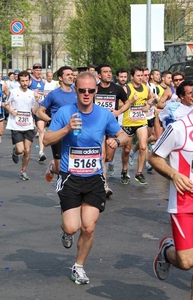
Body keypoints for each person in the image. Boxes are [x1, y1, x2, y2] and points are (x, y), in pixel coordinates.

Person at [43, 71, 128, 284]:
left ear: (96, 91)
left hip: (94, 178)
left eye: (91, 90)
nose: (87, 94)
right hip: (70, 177)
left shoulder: (104, 114)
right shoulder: (65, 113)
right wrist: (66, 128)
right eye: (82, 90)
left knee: (89, 227)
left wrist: (116, 142)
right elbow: (46, 140)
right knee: (73, 227)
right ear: (76, 91)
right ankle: (65, 231)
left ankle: (78, 266)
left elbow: (124, 135)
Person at [149, 81, 193, 300]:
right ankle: (166, 251)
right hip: (184, 204)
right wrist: (174, 174)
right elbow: (155, 157)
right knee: (186, 262)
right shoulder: (179, 128)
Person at [36, 66, 77, 182]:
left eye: (72, 74)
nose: (71, 76)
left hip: (74, 131)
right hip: (58, 132)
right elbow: (39, 111)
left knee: (73, 164)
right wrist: (50, 121)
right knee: (59, 168)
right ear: (60, 78)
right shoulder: (54, 94)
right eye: (68, 74)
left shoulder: (77, 92)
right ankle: (52, 168)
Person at [94, 63, 128, 196]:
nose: (109, 74)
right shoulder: (94, 89)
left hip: (111, 125)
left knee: (108, 157)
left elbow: (127, 103)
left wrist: (118, 112)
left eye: (110, 71)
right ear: (99, 75)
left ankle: (100, 172)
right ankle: (104, 185)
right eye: (105, 72)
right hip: (98, 125)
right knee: (101, 156)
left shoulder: (117, 89)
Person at [120, 66, 153, 185]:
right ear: (132, 76)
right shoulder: (126, 89)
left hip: (141, 122)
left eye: (142, 75)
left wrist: (148, 106)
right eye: (138, 75)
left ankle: (139, 173)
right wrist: (131, 102)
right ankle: (124, 170)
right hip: (128, 122)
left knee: (143, 147)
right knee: (127, 150)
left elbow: (151, 99)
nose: (140, 78)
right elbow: (120, 105)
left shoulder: (146, 88)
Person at [5, 71, 38, 180]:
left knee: (27, 150)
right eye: (22, 81)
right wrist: (11, 110)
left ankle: (23, 171)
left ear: (30, 81)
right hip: (16, 125)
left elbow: (34, 110)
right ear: (19, 81)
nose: (24, 83)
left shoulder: (32, 93)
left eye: (26, 81)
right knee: (20, 150)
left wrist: (37, 100)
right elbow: (5, 104)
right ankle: (15, 152)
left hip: (28, 125)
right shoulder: (13, 92)